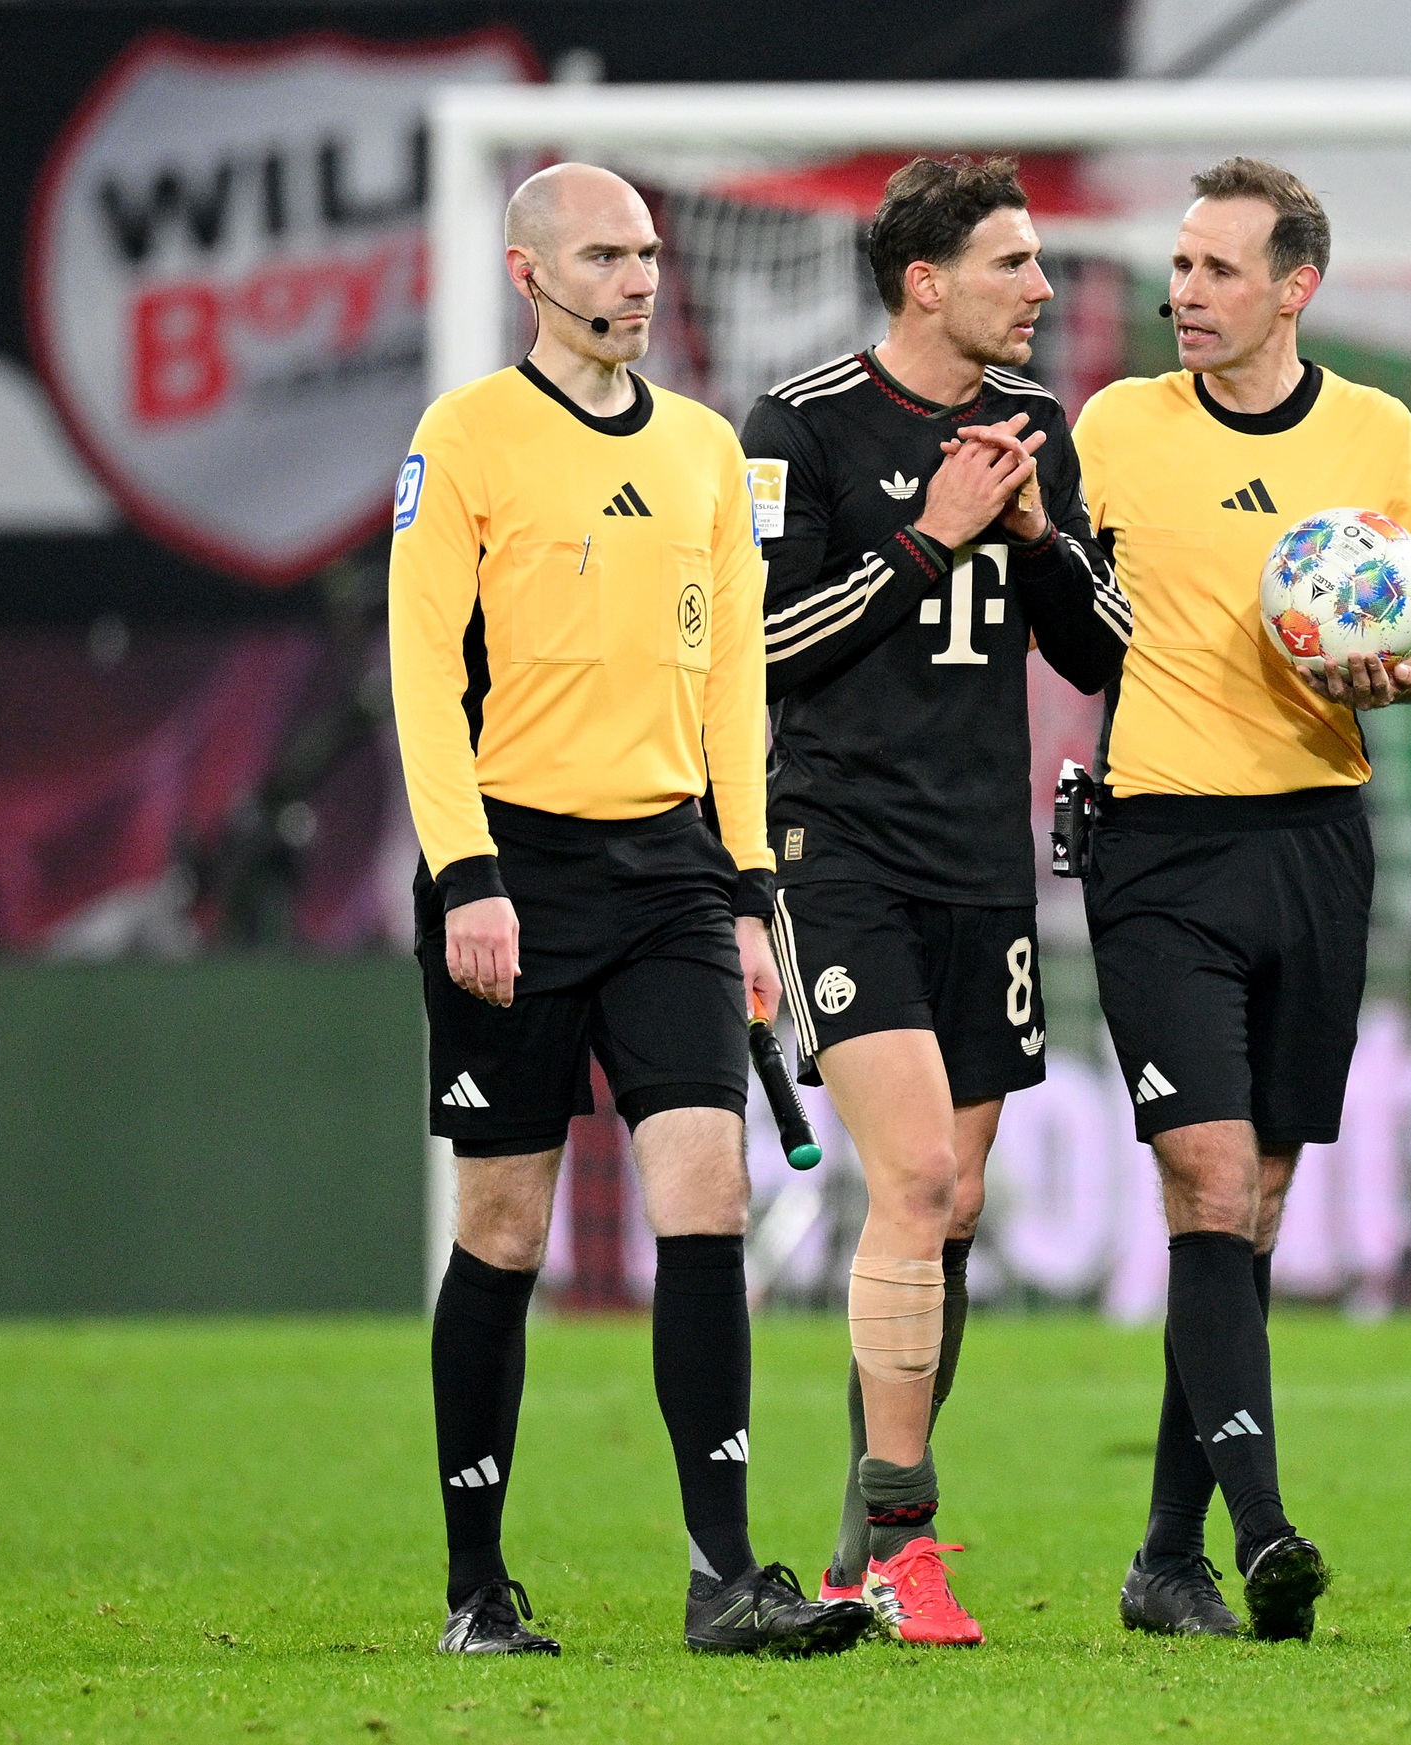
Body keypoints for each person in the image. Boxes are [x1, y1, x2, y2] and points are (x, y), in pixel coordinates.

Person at [389, 162, 870, 1658]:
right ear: (531, 276)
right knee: (507, 1228)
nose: (639, 278)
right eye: (604, 255)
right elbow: (419, 666)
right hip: (512, 875)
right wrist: (466, 870)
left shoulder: (709, 452)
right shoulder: (463, 436)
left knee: (708, 1198)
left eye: (649, 252)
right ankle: (477, 1587)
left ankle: (724, 1575)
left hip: (670, 875)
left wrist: (746, 891)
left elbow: (732, 685)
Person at [1072, 157, 1411, 1641]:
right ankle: (1264, 1532)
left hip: (1317, 839)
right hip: (1161, 845)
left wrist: (1394, 670)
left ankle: (1164, 1557)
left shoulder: (1375, 434)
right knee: (1210, 1183)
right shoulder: (1112, 429)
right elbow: (1054, 599)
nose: (1184, 293)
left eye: (1217, 270)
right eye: (1178, 266)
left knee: (1259, 1208)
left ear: (1293, 288)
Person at [741, 156, 1129, 1647]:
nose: (1042, 288)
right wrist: (930, 534)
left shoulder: (1036, 431)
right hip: (840, 851)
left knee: (949, 1207)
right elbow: (766, 648)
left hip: (985, 860)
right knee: (908, 1184)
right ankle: (904, 1540)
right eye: (1014, 263)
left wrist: (1033, 534)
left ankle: (855, 1543)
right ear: (927, 282)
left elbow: (1097, 656)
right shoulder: (800, 424)